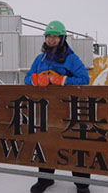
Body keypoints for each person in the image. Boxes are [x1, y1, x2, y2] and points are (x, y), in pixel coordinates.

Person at [24, 21, 90, 193]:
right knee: (46, 144)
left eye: (55, 37)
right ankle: (45, 179)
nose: (51, 40)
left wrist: (61, 80)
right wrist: (36, 79)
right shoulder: (40, 59)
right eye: (49, 36)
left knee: (75, 147)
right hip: (46, 112)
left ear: (62, 39)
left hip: (70, 112)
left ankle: (82, 185)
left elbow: (84, 79)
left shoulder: (71, 58)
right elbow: (27, 78)